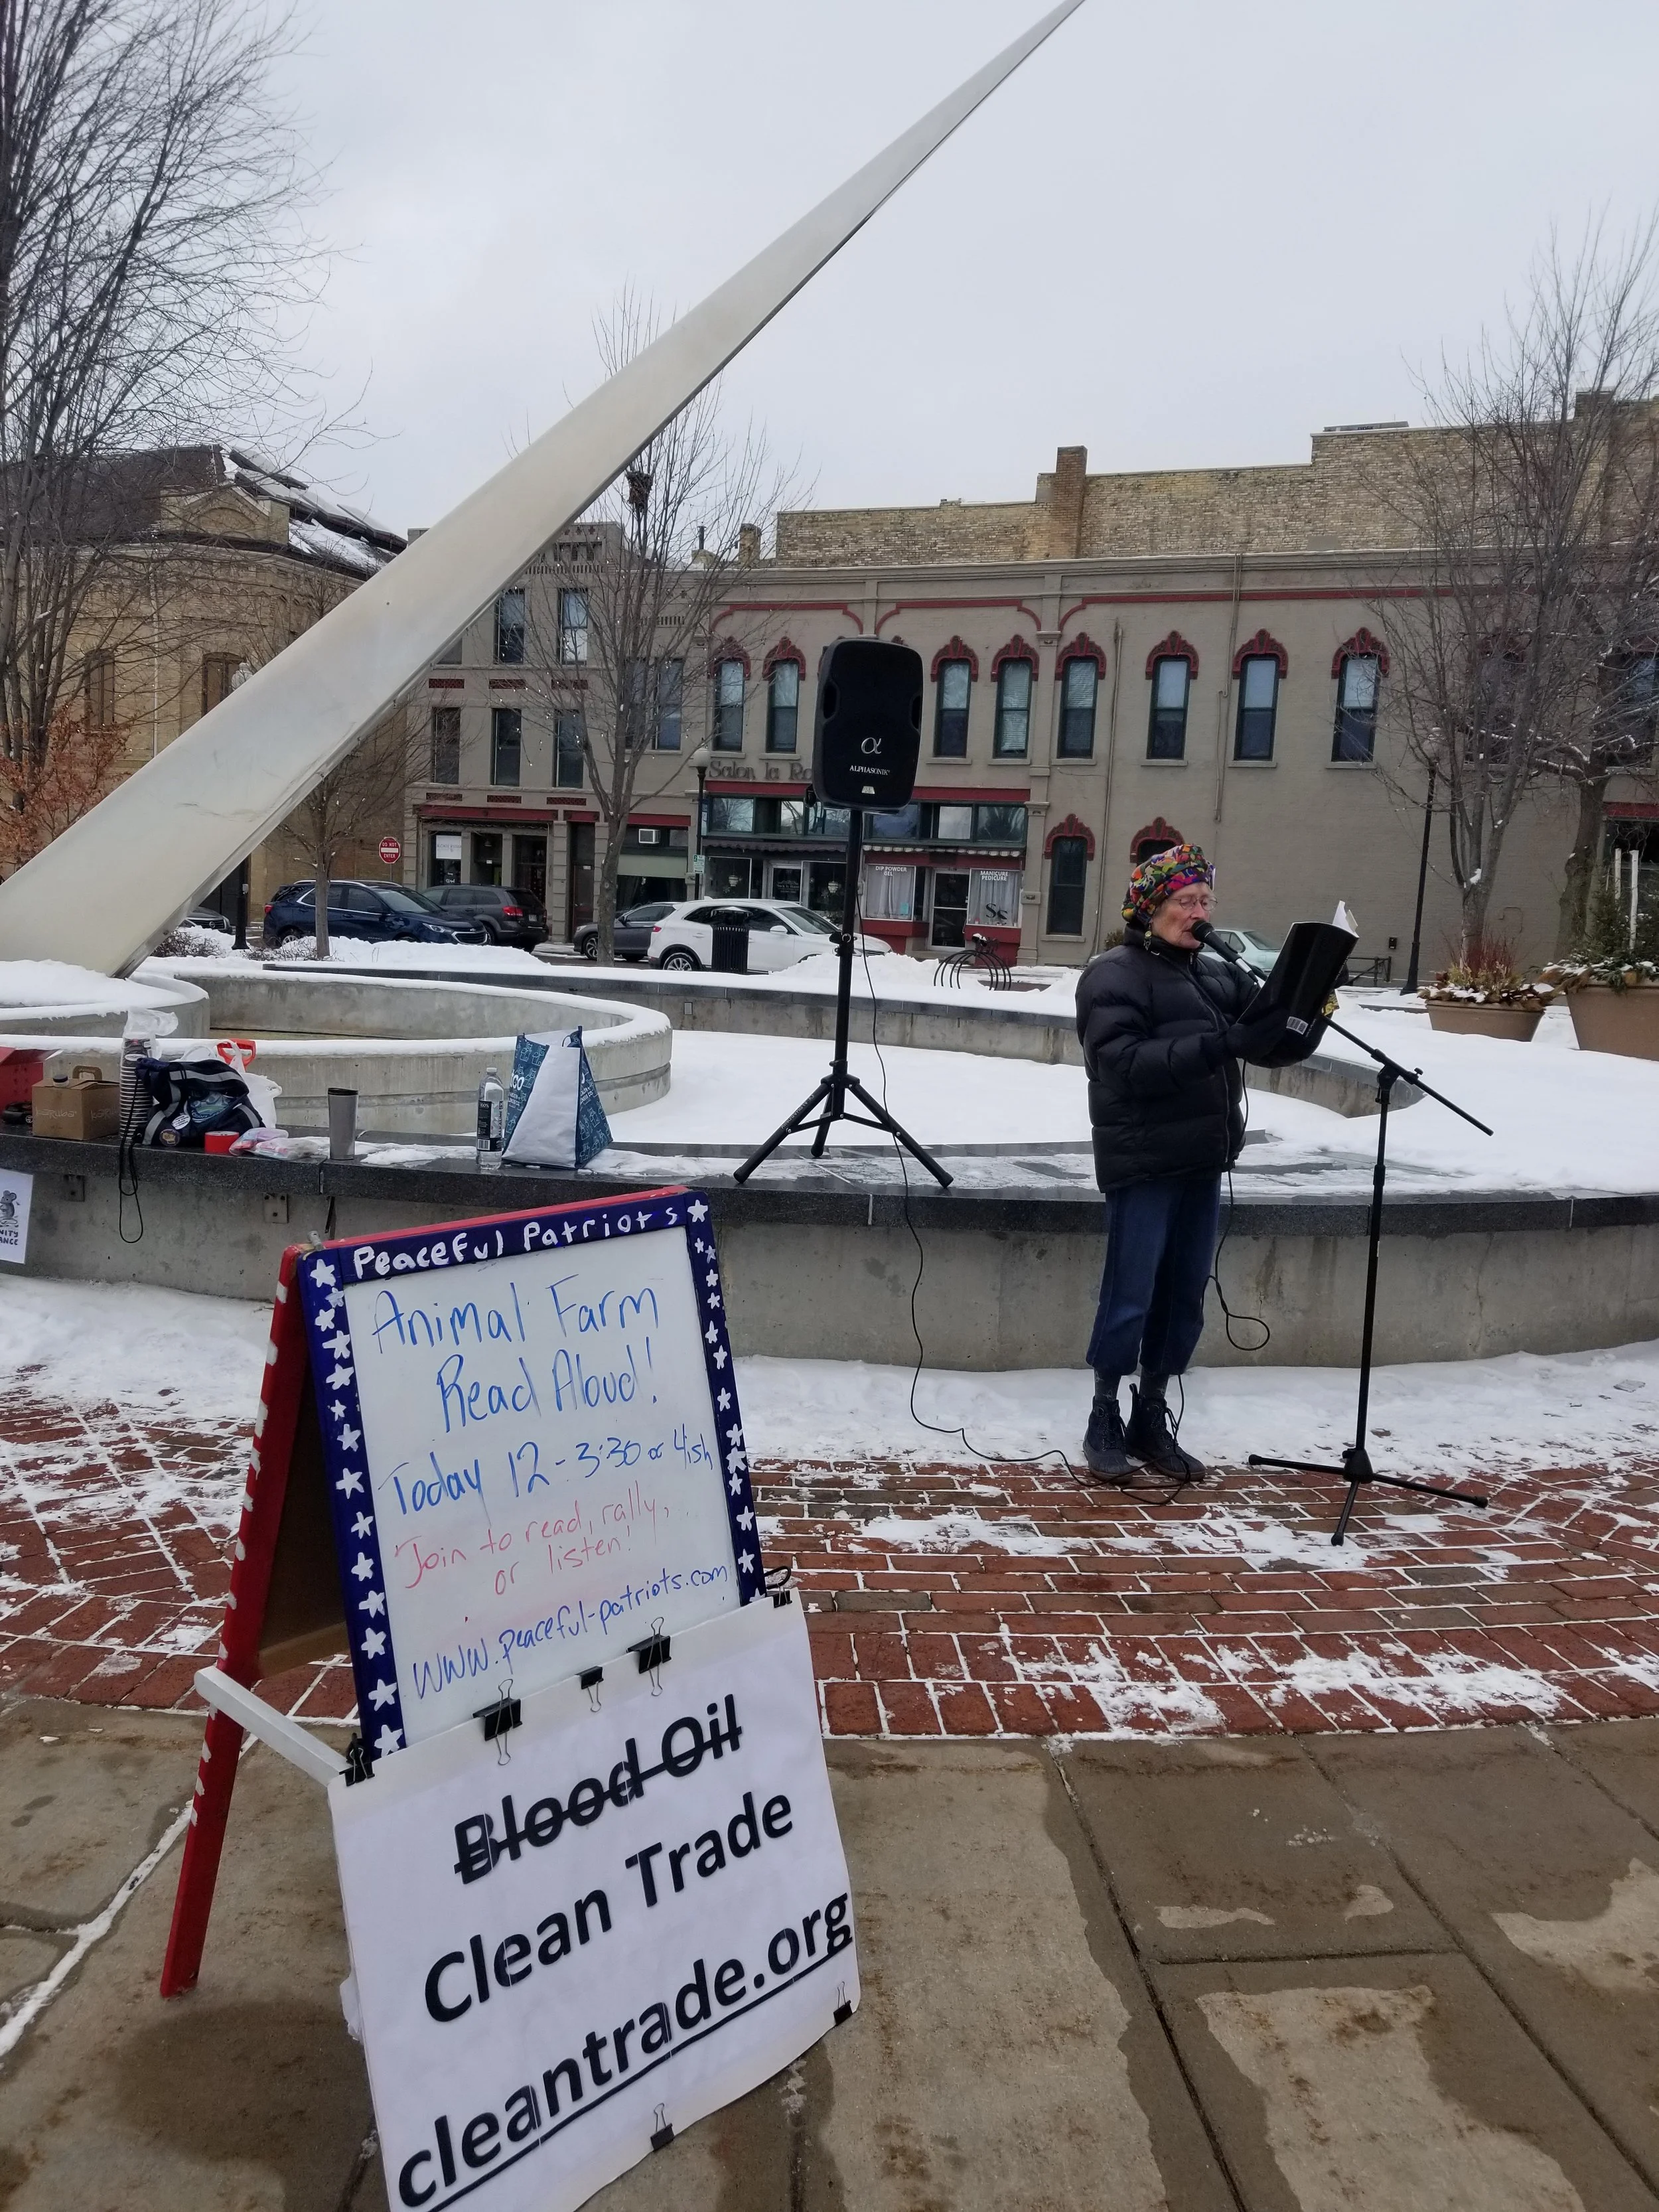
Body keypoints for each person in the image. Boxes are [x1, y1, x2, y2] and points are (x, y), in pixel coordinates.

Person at [1074, 844, 1287, 1483]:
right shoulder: (1113, 973)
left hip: (1202, 1158)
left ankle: (1153, 1411)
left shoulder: (1217, 972)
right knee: (1131, 1293)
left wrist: (1307, 1006)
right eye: (1184, 901)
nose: (1198, 912)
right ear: (1150, 908)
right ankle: (1105, 1411)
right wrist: (1222, 1043)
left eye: (1205, 901)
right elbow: (1125, 1065)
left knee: (1185, 1296)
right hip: (1143, 1161)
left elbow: (1265, 1037)